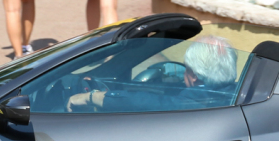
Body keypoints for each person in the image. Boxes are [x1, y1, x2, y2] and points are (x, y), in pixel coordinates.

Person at [66, 35, 239, 111]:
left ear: (193, 75)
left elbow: (141, 103)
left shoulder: (192, 104)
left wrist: (90, 97)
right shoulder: (239, 94)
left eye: (186, 68)